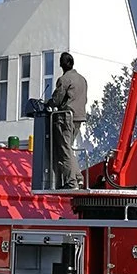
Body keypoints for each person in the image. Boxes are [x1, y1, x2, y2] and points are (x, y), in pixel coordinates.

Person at [48, 52, 88, 190]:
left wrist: (49, 103)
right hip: (78, 117)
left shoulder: (64, 79)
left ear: (61, 64)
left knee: (64, 151)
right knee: (69, 149)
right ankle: (79, 178)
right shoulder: (82, 79)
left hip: (66, 118)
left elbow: (57, 99)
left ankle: (71, 182)